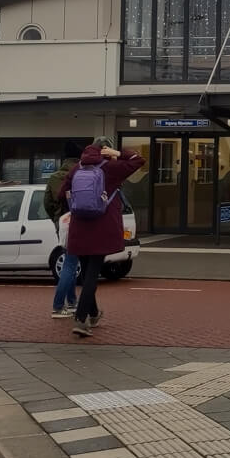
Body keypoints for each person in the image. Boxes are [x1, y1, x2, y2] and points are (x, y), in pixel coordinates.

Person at [57, 136, 145, 337]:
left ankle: (94, 313)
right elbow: (139, 160)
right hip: (101, 229)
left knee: (87, 272)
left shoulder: (77, 168)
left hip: (79, 228)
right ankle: (80, 319)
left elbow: (62, 194)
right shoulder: (110, 169)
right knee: (92, 276)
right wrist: (119, 154)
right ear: (106, 150)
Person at [45, 141, 82, 318]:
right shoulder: (82, 174)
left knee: (70, 262)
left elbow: (47, 203)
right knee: (70, 264)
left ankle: (72, 303)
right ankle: (58, 306)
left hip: (63, 223)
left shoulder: (54, 177)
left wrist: (56, 219)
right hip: (81, 222)